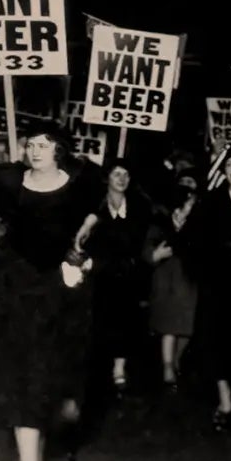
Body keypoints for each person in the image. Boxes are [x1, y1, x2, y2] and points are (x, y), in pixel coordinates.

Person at [0, 120, 96, 461]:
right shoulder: (9, 186)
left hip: (59, 300)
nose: (35, 151)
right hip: (17, 295)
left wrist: (84, 242)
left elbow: (92, 227)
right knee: (21, 380)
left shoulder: (76, 189)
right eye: (31, 144)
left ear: (59, 151)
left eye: (44, 145)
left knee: (48, 384)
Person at [190, 145, 231, 432]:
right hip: (217, 287)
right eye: (230, 164)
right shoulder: (210, 202)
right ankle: (225, 402)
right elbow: (191, 242)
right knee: (216, 342)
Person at [91, 160, 151, 398]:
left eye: (126, 174)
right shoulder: (96, 207)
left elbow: (139, 242)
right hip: (99, 275)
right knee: (99, 321)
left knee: (125, 321)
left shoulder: (138, 208)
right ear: (107, 178)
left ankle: (119, 369)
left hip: (127, 276)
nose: (122, 179)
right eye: (117, 174)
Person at [148, 174, 201, 390]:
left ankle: (176, 360)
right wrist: (153, 255)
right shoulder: (161, 219)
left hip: (189, 278)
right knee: (168, 324)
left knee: (187, 325)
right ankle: (168, 367)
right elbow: (149, 245)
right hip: (166, 277)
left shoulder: (198, 223)